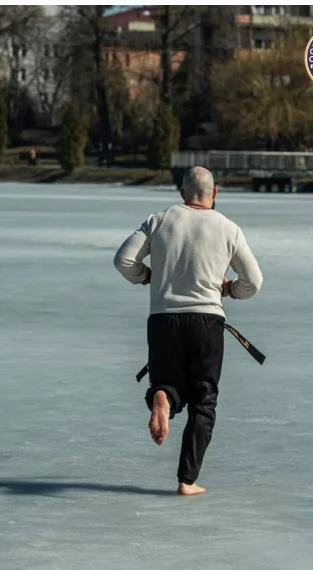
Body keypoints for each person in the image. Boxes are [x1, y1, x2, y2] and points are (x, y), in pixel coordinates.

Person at [113, 166, 263, 496]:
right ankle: (187, 480)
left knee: (168, 381)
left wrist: (145, 276)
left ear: (182, 193)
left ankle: (163, 397)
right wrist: (229, 290)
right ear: (215, 193)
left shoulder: (158, 220)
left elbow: (123, 260)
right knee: (203, 402)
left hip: (163, 320)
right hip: (206, 322)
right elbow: (254, 282)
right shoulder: (228, 228)